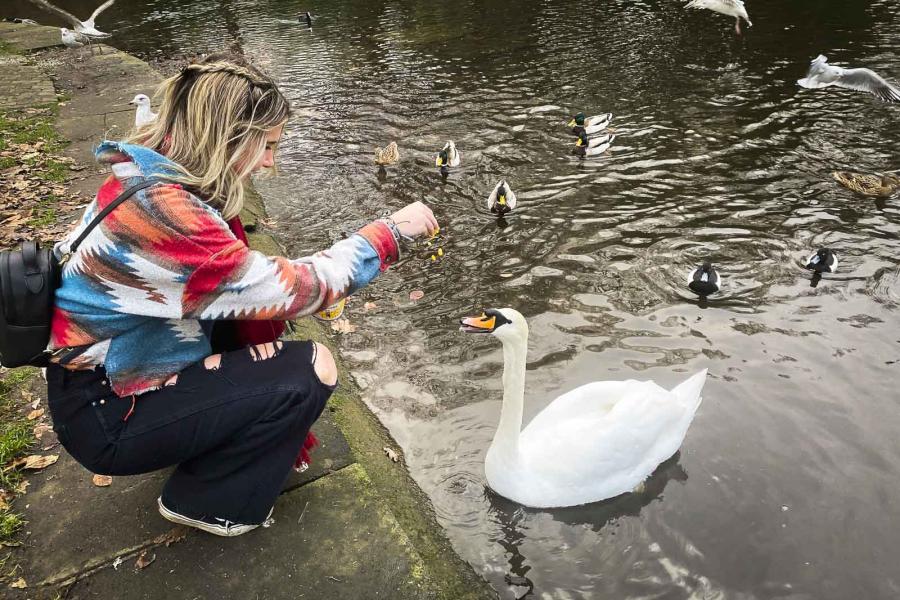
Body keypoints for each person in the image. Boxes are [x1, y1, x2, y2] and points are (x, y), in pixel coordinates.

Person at [45, 53, 438, 536]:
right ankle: (208, 503)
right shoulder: (170, 219)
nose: (272, 161)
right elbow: (299, 291)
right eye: (267, 146)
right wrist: (388, 234)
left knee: (259, 352)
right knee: (309, 369)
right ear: (226, 138)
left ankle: (200, 441)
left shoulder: (146, 174)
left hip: (98, 383)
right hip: (108, 417)